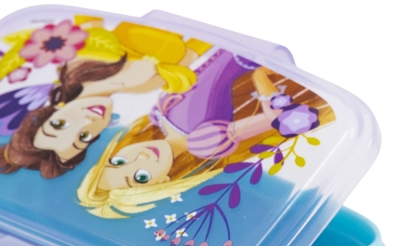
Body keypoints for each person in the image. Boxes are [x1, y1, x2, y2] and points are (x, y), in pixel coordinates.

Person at [77, 56, 332, 218]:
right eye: (140, 177)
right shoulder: (203, 142)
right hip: (256, 62)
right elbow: (276, 117)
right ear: (162, 182)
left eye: (118, 162)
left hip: (238, 51)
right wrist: (261, 77)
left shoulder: (159, 117)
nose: (139, 158)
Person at [0, 24, 210, 179]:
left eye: (59, 125)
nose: (88, 122)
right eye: (83, 137)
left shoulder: (75, 58)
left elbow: (87, 16)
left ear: (49, 112)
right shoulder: (148, 87)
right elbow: (200, 44)